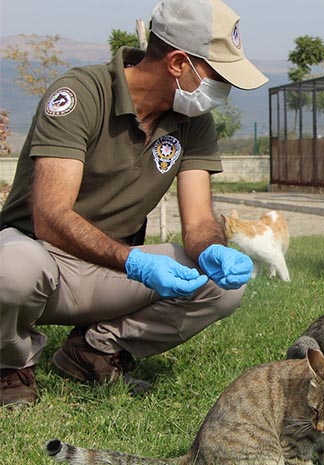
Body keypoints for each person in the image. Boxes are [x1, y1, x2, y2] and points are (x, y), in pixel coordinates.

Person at [0, 0, 269, 407]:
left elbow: (197, 220)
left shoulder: (193, 121)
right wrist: (134, 262)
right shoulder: (81, 93)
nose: (224, 91)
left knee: (220, 288)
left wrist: (213, 248)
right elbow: (50, 217)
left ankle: (93, 351)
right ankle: (11, 365)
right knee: (11, 271)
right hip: (42, 256)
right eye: (219, 76)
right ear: (179, 63)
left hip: (109, 267)